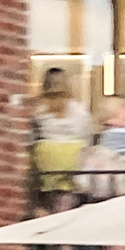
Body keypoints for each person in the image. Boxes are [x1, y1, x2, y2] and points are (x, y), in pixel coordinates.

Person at [29, 69, 92, 210]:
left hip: (47, 161)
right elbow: (86, 136)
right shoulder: (79, 109)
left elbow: (32, 136)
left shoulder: (38, 109)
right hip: (74, 160)